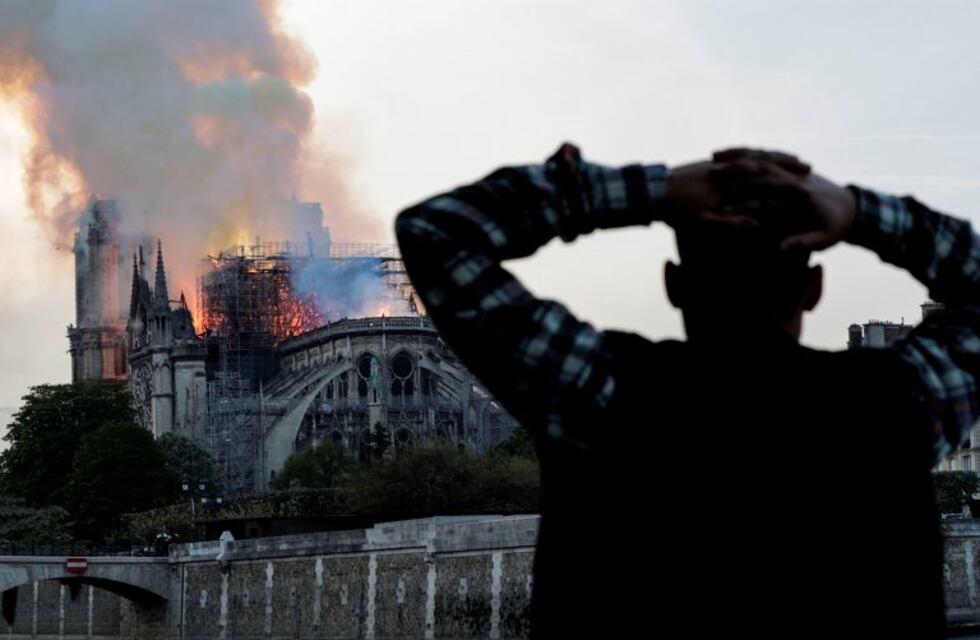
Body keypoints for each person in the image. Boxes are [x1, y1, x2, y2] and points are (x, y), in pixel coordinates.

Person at [395, 144, 979, 637]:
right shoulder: (896, 406)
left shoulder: (597, 390)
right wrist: (856, 212)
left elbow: (437, 232)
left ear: (673, 284)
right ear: (814, 288)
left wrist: (654, 191)